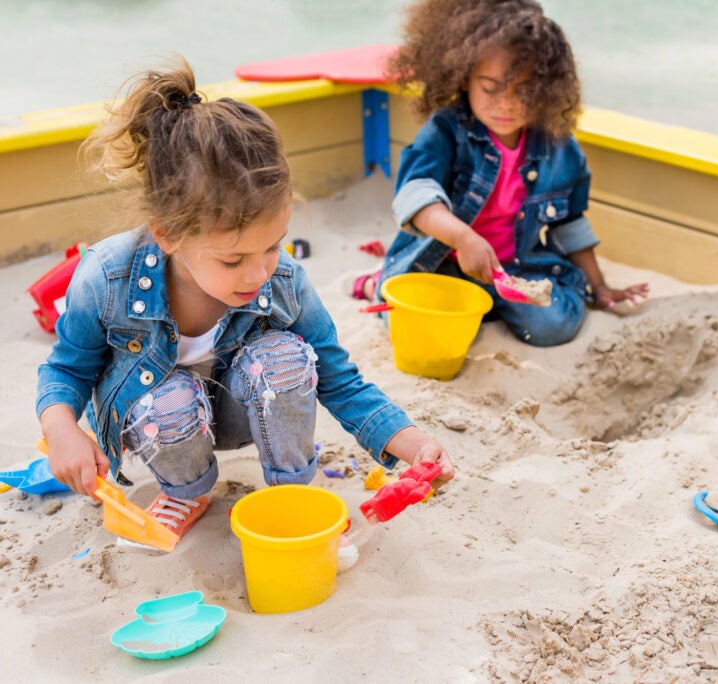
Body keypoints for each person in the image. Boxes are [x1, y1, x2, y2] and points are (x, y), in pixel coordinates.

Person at [37, 57, 454, 542]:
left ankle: (292, 488)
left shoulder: (283, 281)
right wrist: (63, 430)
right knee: (170, 400)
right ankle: (186, 490)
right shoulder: (106, 278)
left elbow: (339, 379)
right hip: (159, 420)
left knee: (286, 358)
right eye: (233, 260)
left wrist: (414, 442)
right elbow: (66, 369)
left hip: (243, 410)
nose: (258, 273)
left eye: (273, 246)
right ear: (168, 235)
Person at [353, 0, 648, 347]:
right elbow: (415, 195)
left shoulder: (559, 147)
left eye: (522, 91)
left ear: (546, 89)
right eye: (490, 88)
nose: (505, 104)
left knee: (556, 326)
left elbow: (570, 224)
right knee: (419, 327)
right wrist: (464, 239)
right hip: (443, 264)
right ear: (464, 78)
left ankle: (489, 303)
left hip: (514, 268)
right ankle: (377, 282)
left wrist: (599, 287)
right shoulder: (447, 132)